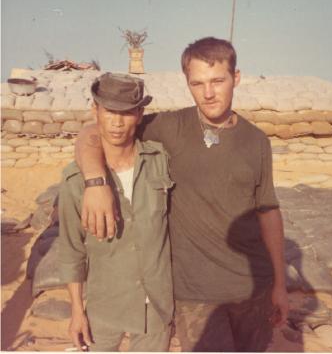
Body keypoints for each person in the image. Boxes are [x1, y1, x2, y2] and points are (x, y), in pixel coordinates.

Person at [75, 37, 288, 351]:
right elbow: (95, 131)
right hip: (196, 297)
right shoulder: (170, 127)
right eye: (197, 83)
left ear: (236, 77)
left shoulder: (256, 141)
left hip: (253, 288)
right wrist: (96, 183)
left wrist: (279, 283)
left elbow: (267, 210)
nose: (208, 93)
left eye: (218, 81)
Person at [59, 73, 174, 352]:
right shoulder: (75, 180)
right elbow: (72, 250)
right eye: (109, 111)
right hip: (104, 308)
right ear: (95, 111)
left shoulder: (160, 161)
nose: (117, 122)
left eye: (126, 112)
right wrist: (77, 311)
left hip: (155, 306)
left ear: (140, 114)